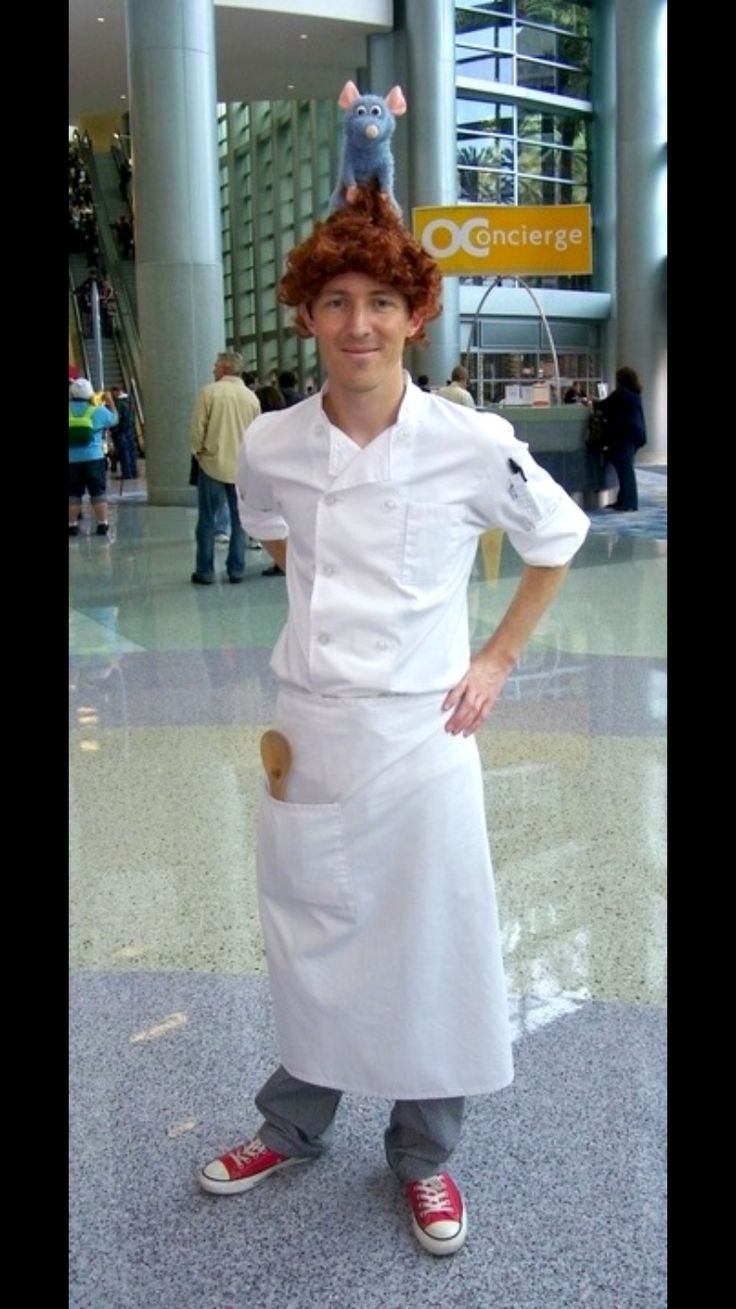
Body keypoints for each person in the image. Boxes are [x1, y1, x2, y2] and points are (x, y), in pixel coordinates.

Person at [200, 188, 589, 1256]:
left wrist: (495, 657)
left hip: (422, 737)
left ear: (415, 316)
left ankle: (423, 1158)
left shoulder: (470, 441)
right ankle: (294, 1124)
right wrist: (328, 607)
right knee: (312, 935)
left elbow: (559, 534)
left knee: (428, 944)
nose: (358, 324)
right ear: (308, 316)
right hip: (312, 728)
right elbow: (273, 532)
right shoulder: (272, 444)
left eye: (380, 301)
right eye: (336, 301)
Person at [189, 351, 261, 583]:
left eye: (215, 365)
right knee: (240, 520)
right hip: (242, 467)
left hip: (212, 463)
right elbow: (257, 433)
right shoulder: (251, 398)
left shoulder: (209, 393)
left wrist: (199, 452)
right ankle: (236, 569)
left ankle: (205, 571)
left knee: (208, 519)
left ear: (224, 368)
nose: (213, 369)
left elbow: (197, 429)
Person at [69, 378, 118, 536]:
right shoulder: (97, 410)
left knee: (73, 493)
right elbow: (114, 420)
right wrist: (110, 402)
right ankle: (102, 524)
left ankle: (72, 524)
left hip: (71, 460)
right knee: (98, 492)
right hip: (94, 458)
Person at [594, 366, 647, 511]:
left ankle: (629, 503)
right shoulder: (634, 393)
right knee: (625, 468)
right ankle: (623, 500)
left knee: (625, 470)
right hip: (634, 435)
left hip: (625, 436)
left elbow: (603, 405)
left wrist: (591, 402)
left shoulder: (621, 393)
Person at [109, 386, 138, 481]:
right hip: (129, 430)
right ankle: (134, 472)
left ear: (117, 391)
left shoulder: (119, 403)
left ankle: (127, 474)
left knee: (124, 453)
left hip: (121, 431)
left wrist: (113, 429)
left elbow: (116, 418)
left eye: (113, 393)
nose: (112, 395)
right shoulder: (129, 401)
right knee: (131, 452)